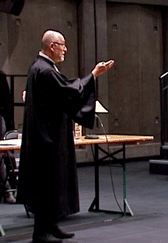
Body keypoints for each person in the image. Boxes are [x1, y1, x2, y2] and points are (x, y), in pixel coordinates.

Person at [17, 30, 115, 243]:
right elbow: (69, 91)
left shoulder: (40, 66)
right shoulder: (44, 70)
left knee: (52, 182)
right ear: (52, 46)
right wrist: (94, 75)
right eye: (62, 45)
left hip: (47, 135)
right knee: (46, 184)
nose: (65, 49)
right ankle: (40, 233)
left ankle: (51, 225)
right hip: (46, 139)